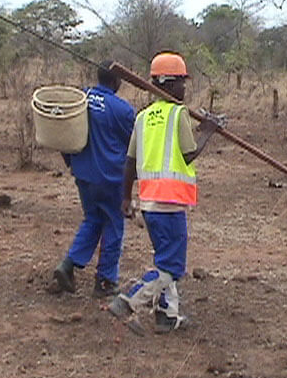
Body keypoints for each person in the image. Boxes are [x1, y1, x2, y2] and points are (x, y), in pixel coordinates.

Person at [108, 51, 219, 335]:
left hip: (149, 201)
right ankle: (129, 300)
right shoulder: (178, 112)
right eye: (182, 83)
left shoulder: (143, 117)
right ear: (169, 85)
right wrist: (208, 130)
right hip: (170, 203)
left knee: (164, 258)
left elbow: (130, 161)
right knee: (171, 265)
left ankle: (166, 316)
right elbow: (189, 153)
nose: (184, 88)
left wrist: (125, 197)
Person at [52, 60, 135, 298]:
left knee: (93, 220)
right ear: (117, 80)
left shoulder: (79, 100)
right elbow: (133, 145)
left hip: (83, 174)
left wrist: (71, 162)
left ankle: (67, 266)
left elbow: (64, 132)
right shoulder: (122, 110)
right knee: (113, 225)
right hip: (110, 178)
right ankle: (106, 281)